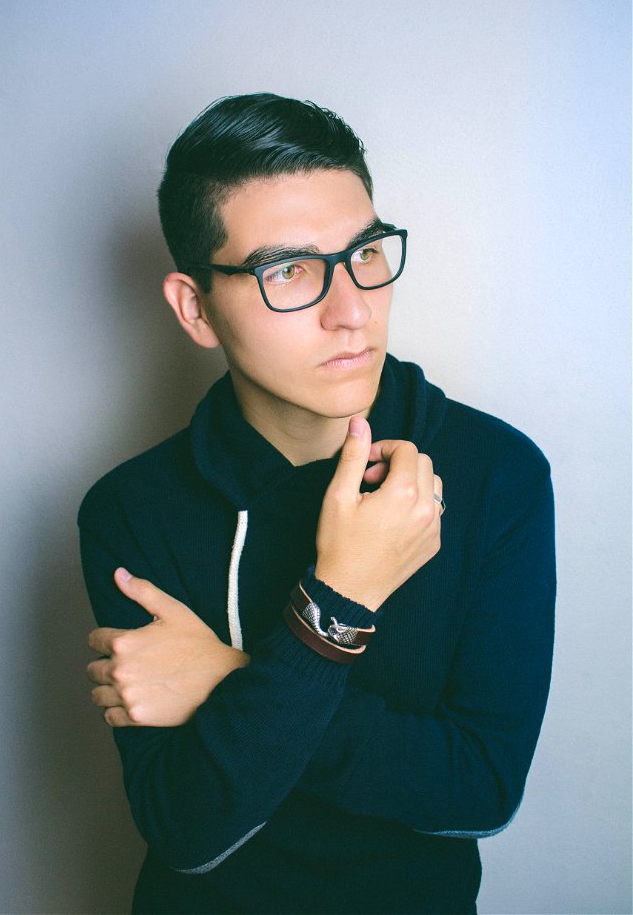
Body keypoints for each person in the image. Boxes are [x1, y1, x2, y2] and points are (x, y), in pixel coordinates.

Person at [79, 93, 556, 915]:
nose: (353, 311)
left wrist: (228, 678)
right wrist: (340, 597)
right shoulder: (130, 509)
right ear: (195, 308)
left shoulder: (496, 475)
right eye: (288, 271)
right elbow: (188, 835)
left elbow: (480, 792)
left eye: (365, 254)